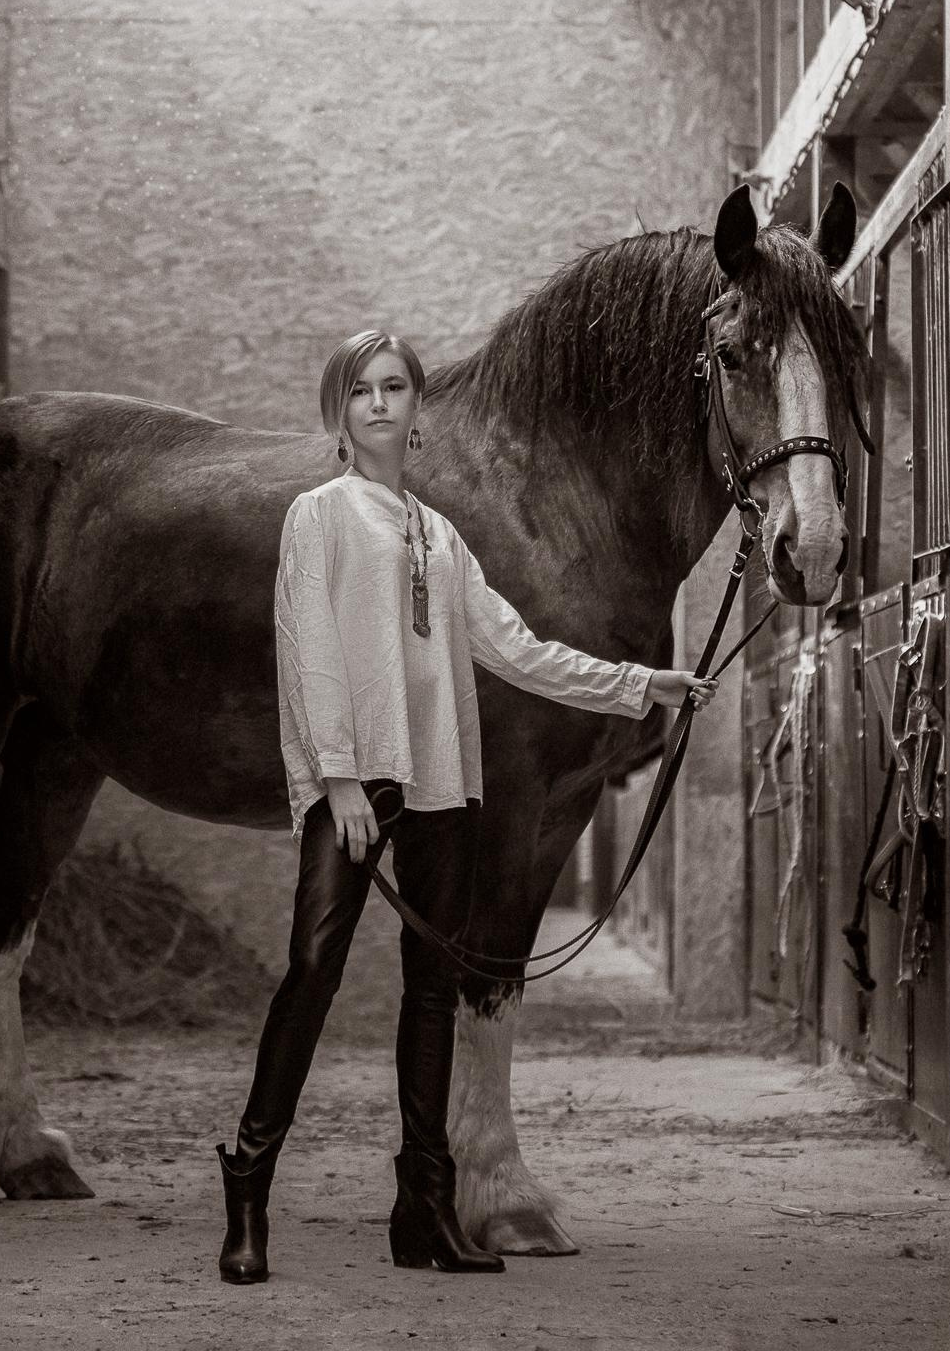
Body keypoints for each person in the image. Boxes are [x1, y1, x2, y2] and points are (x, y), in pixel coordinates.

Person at [216, 329, 718, 1284]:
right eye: (359, 389)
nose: (378, 404)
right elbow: (306, 648)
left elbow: (516, 650)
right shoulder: (317, 516)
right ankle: (247, 1186)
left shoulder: (440, 536)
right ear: (339, 410)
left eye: (394, 387)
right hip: (355, 782)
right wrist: (337, 778)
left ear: (417, 407)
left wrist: (638, 684)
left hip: (440, 779)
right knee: (313, 973)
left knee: (434, 987)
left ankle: (425, 1206)